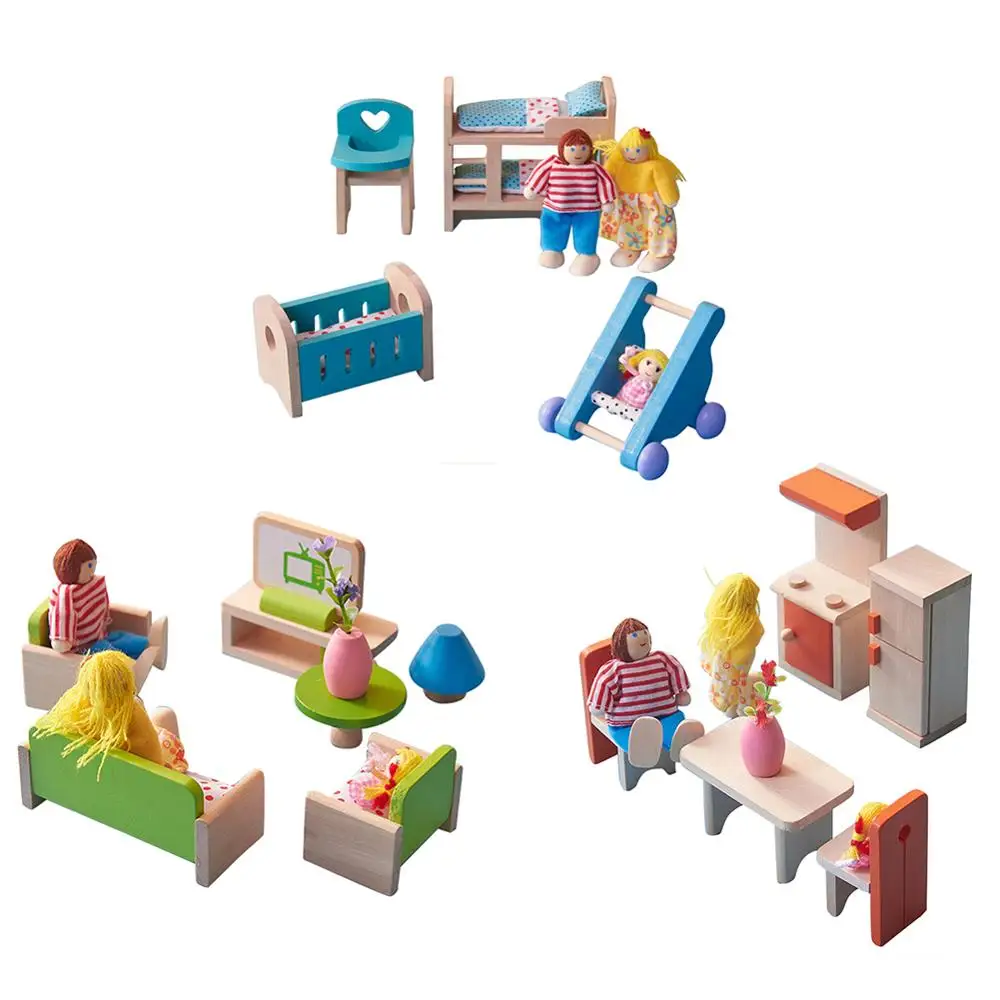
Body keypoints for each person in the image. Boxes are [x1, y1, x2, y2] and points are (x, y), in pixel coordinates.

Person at [588, 617, 691, 753]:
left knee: (675, 728)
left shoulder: (661, 658)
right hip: (627, 725)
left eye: (644, 634)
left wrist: (681, 693)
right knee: (634, 739)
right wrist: (598, 706)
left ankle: (682, 743)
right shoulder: (614, 670)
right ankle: (644, 750)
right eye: (635, 636)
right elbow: (603, 685)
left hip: (666, 716)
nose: (643, 640)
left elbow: (675, 670)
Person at [523, 128, 615, 276]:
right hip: (556, 207)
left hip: (587, 209)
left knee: (587, 232)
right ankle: (552, 250)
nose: (578, 153)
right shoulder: (553, 163)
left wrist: (607, 200)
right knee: (552, 227)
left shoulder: (594, 167)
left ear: (590, 150)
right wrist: (533, 188)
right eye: (572, 149)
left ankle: (587, 255)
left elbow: (605, 182)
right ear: (562, 149)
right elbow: (540, 173)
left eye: (583, 148)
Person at [595, 126, 685, 272]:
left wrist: (670, 198)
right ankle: (630, 246)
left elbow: (664, 182)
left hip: (651, 205)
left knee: (656, 226)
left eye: (637, 150)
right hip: (627, 204)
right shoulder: (617, 164)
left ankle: (659, 253)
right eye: (627, 149)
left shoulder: (655, 166)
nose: (632, 154)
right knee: (628, 224)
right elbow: (606, 178)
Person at [48, 538, 153, 657]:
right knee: (111, 653)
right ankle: (131, 663)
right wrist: (62, 641)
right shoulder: (65, 596)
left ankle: (150, 646)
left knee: (125, 639)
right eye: (89, 565)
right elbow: (63, 617)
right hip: (84, 648)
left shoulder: (93, 584)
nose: (92, 570)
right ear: (74, 569)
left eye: (93, 564)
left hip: (100, 635)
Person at [700, 573, 765, 717]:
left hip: (720, 692)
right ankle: (736, 711)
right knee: (756, 682)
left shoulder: (719, 628)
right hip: (732, 697)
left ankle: (732, 708)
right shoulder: (748, 633)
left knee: (739, 683)